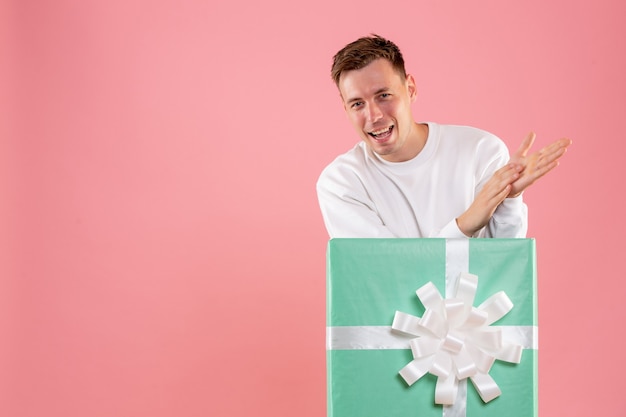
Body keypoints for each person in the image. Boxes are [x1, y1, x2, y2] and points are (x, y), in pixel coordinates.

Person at [316, 34, 571, 238]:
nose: (373, 116)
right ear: (345, 109)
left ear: (411, 89)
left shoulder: (481, 151)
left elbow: (503, 265)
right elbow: (389, 273)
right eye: (357, 104)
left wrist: (509, 200)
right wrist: (464, 225)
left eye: (384, 95)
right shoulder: (341, 183)